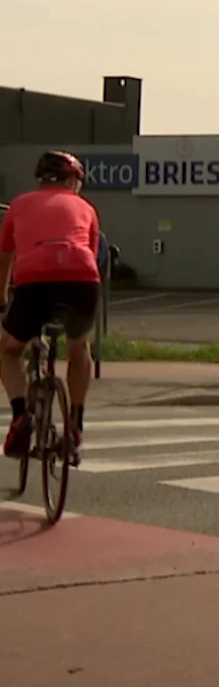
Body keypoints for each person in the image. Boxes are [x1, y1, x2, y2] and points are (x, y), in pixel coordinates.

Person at [1, 151, 102, 462]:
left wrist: (2, 298)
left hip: (35, 283)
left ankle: (20, 415)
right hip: (82, 280)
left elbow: (5, 257)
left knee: (8, 349)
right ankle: (76, 424)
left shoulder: (18, 205)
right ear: (72, 181)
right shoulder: (86, 208)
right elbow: (92, 254)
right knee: (78, 347)